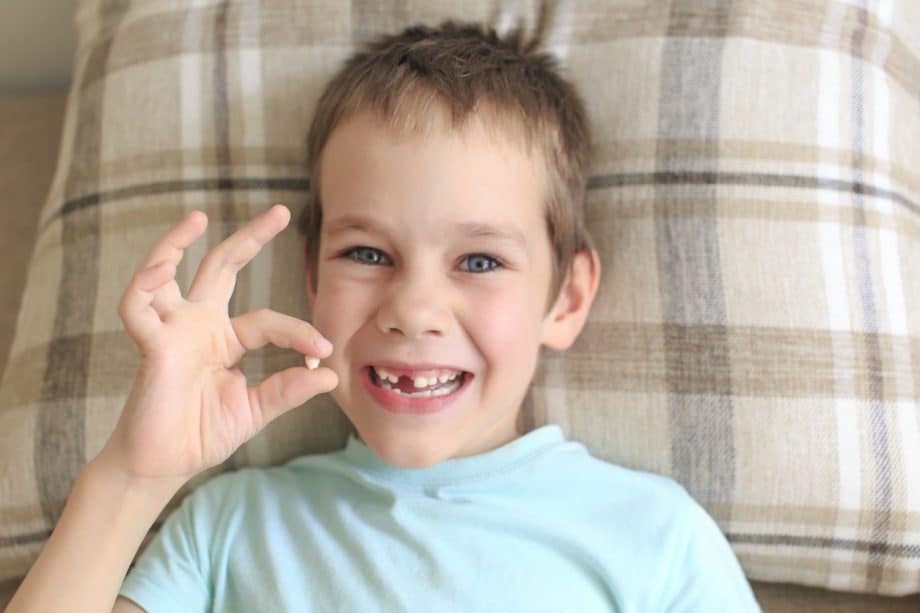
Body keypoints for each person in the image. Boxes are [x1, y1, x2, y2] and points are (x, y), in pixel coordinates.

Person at [8, 20, 760, 612]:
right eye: (367, 254)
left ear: (564, 297)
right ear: (309, 277)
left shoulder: (654, 536)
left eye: (479, 261)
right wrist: (133, 476)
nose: (413, 310)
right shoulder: (229, 524)